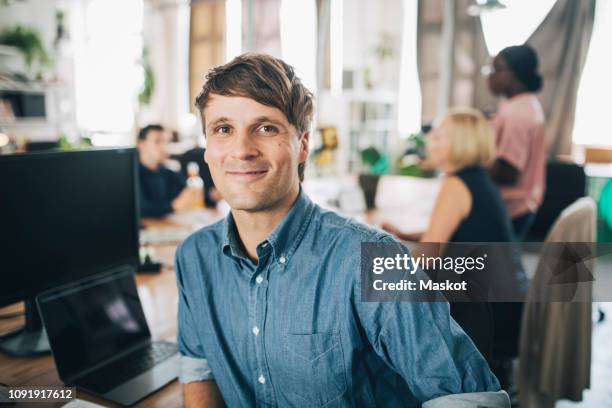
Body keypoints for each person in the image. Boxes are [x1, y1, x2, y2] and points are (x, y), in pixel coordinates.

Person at [176, 54, 509, 407]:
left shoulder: (372, 260)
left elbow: (472, 400)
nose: (241, 150)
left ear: (302, 144)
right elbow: (199, 371)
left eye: (266, 127)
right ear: (208, 146)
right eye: (223, 129)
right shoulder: (194, 257)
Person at [383, 109, 527, 389]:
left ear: (459, 143)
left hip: (486, 319)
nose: (429, 141)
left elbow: (427, 256)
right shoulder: (477, 180)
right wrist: (404, 234)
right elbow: (456, 233)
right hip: (506, 305)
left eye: (438, 135)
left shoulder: (455, 184)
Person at [487, 44, 547, 241]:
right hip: (523, 202)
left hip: (512, 206)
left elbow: (508, 170)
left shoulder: (517, 114)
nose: (490, 76)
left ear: (514, 74)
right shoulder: (523, 104)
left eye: (496, 69)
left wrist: (465, 162)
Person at [136, 124, 201, 217]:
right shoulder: (131, 175)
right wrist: (173, 206)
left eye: (166, 142)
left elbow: (187, 191)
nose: (164, 147)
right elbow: (140, 208)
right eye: (157, 142)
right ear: (141, 145)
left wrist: (212, 196)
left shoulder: (170, 172)